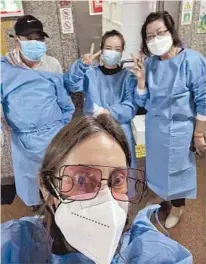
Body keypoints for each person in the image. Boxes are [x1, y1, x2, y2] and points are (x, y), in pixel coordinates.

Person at [1, 115, 193, 264]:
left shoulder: (153, 253)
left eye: (117, 180)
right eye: (82, 179)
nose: (105, 201)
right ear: (48, 188)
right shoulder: (15, 246)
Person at [133, 11, 206, 228]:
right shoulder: (152, 64)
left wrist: (199, 134)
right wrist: (141, 80)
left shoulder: (192, 60)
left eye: (159, 32)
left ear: (171, 31)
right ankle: (162, 196)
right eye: (149, 36)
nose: (155, 39)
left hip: (180, 131)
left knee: (177, 170)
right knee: (156, 167)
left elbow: (204, 100)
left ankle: (177, 207)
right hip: (156, 128)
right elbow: (144, 102)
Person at [1, 15, 75, 210]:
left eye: (39, 38)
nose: (35, 43)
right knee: (33, 184)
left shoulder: (52, 65)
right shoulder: (5, 69)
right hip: (23, 141)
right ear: (17, 40)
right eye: (29, 38)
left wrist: (63, 127)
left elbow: (64, 100)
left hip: (54, 134)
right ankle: (39, 214)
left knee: (58, 180)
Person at [64, 30, 137, 169]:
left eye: (117, 49)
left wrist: (109, 112)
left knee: (122, 173)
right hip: (94, 129)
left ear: (122, 52)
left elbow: (130, 106)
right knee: (96, 171)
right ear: (101, 50)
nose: (112, 52)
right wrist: (82, 65)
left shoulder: (128, 77)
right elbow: (72, 84)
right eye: (108, 48)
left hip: (120, 131)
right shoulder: (91, 73)